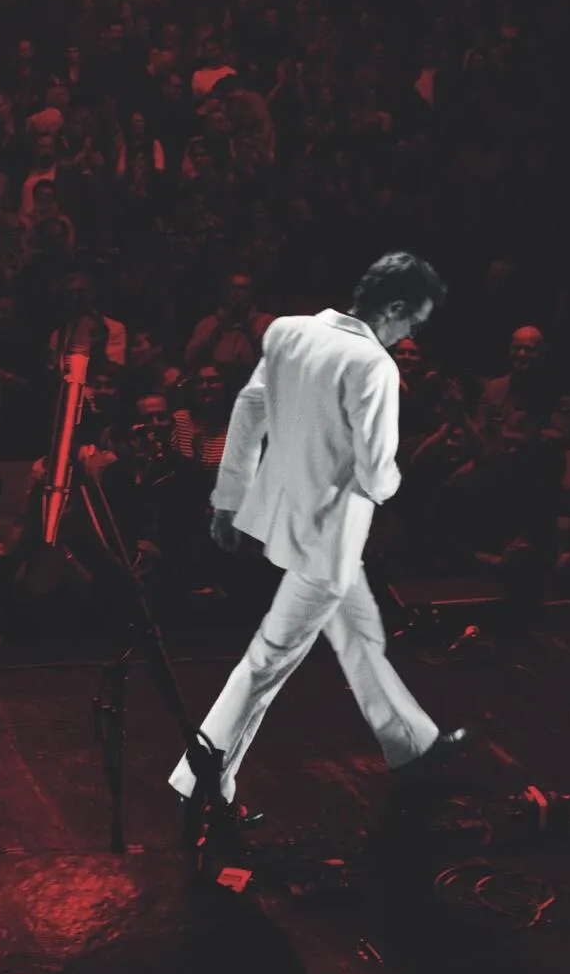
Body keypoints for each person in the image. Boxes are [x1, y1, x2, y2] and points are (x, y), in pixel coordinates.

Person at [169, 251, 469, 825]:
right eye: (413, 322)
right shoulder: (374, 365)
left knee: (359, 634)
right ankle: (200, 782)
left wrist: (229, 500)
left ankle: (412, 744)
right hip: (331, 533)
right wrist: (394, 479)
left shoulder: (289, 331)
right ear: (395, 308)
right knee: (268, 660)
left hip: (287, 517)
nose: (411, 335)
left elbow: (249, 408)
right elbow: (377, 476)